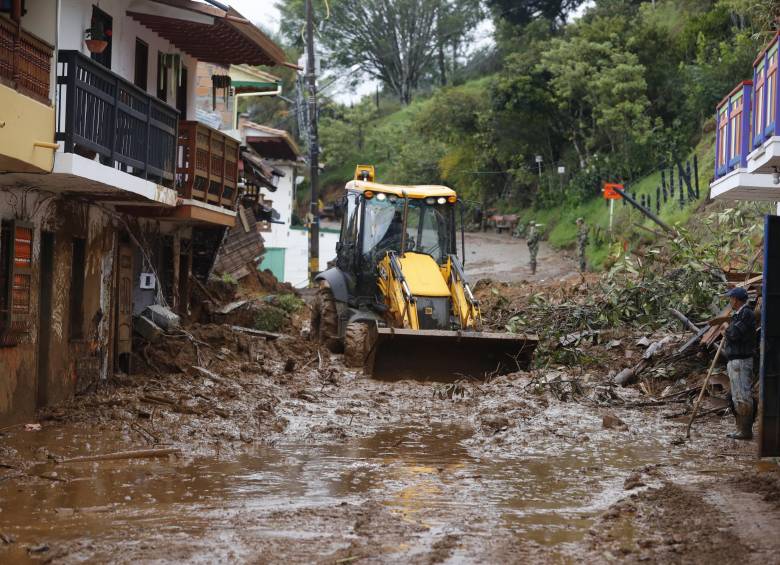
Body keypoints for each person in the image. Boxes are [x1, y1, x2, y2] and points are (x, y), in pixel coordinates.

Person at [723, 287, 756, 440]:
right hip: (735, 360)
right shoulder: (738, 314)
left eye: (731, 298)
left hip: (741, 361)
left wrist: (725, 328)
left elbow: (734, 334)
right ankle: (740, 429)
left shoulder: (746, 313)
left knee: (742, 396)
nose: (730, 301)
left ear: (736, 299)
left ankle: (746, 431)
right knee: (735, 396)